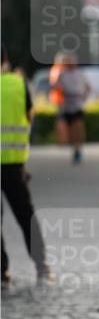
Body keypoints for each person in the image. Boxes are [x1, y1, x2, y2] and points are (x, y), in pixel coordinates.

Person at [1, 47, 52, 288]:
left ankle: (2, 273)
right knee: (25, 216)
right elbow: (30, 117)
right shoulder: (19, 84)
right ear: (6, 60)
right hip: (13, 164)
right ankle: (42, 267)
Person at [54, 53, 90, 163]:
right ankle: (74, 147)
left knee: (78, 128)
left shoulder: (80, 73)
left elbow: (88, 87)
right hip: (67, 104)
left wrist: (84, 97)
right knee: (69, 130)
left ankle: (78, 149)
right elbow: (56, 87)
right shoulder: (62, 74)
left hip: (77, 103)